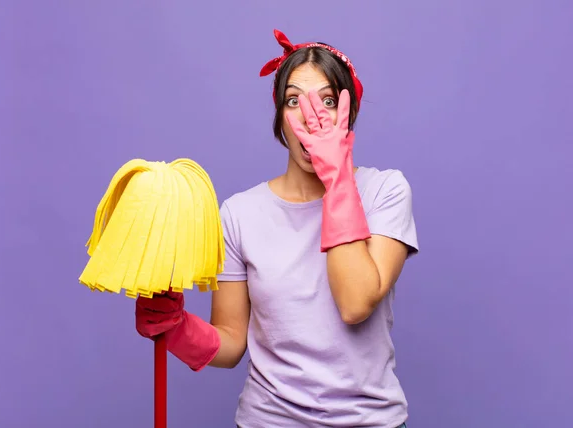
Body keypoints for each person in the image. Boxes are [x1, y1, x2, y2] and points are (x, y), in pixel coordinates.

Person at [135, 29, 419, 428]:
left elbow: (355, 304)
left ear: (348, 113)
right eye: (293, 100)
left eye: (326, 100)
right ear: (280, 119)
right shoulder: (238, 214)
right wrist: (177, 328)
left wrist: (338, 180)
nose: (311, 115)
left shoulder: (386, 191)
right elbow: (232, 342)